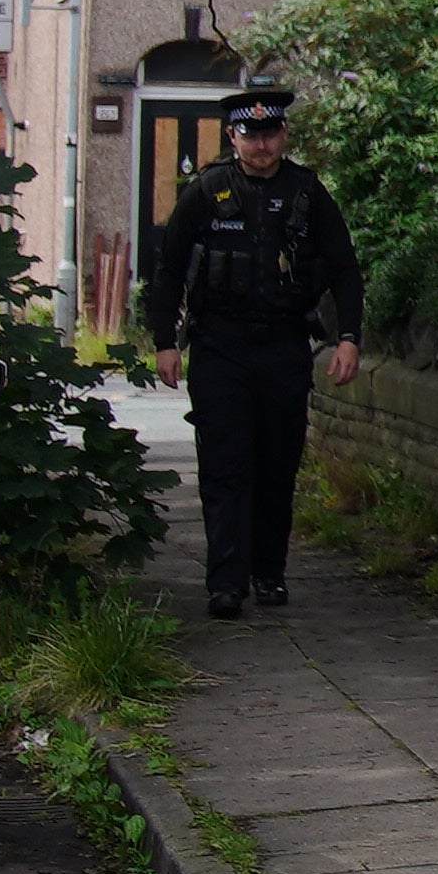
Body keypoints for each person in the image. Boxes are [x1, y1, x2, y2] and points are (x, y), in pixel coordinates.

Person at [139, 83, 359, 619]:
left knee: (277, 463)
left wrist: (348, 337)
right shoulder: (206, 191)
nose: (260, 145)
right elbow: (167, 272)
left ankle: (269, 573)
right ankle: (226, 582)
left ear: (284, 135)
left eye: (269, 134)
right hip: (220, 347)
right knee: (224, 464)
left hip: (284, 345)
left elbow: (345, 269)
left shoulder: (308, 194)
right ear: (233, 136)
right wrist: (165, 342)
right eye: (249, 135)